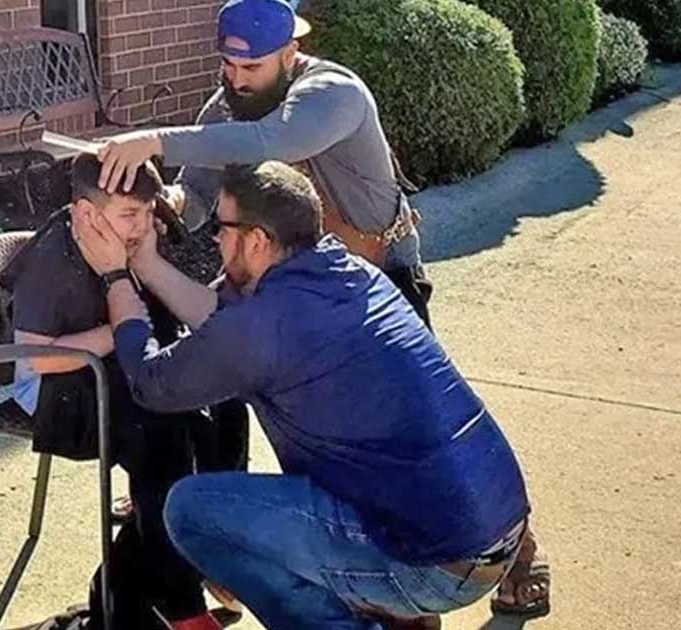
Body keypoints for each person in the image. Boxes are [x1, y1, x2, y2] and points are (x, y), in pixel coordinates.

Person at [96, 0, 551, 614]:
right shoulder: (227, 112)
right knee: (323, 434)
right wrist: (165, 207)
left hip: (378, 268)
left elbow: (274, 140)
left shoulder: (332, 92)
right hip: (301, 283)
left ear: (291, 51)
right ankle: (371, 570)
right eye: (227, 66)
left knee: (416, 421)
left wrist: (153, 142)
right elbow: (203, 198)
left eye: (251, 67)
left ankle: (507, 548)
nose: (236, 80)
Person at [70, 161, 532, 630]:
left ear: (256, 240)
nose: (214, 240)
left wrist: (116, 278)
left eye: (220, 227)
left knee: (192, 511)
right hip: (492, 531)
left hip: (435, 563)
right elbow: (219, 321)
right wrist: (147, 263)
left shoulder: (264, 326)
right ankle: (396, 615)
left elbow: (152, 382)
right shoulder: (345, 272)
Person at [0, 154, 219, 630]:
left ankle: (203, 551)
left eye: (147, 211)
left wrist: (145, 263)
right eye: (129, 215)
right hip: (61, 392)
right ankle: (181, 602)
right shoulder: (53, 258)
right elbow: (37, 359)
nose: (142, 225)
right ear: (85, 214)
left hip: (117, 371)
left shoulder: (133, 239)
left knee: (221, 407)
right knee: (162, 435)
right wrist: (118, 328)